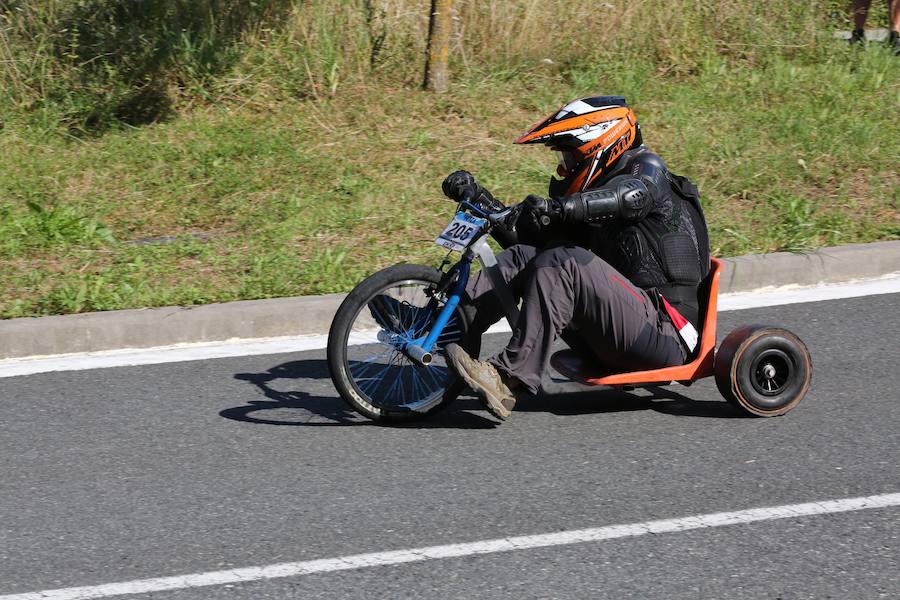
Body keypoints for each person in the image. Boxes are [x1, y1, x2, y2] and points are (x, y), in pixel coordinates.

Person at [441, 96, 710, 421]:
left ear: (602, 145)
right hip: (619, 328)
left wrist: (562, 208)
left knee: (563, 263)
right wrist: (483, 201)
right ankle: (445, 328)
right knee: (527, 256)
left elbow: (629, 196)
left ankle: (506, 379)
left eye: (571, 156)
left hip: (665, 333)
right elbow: (533, 243)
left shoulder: (646, 170)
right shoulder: (597, 194)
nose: (564, 167)